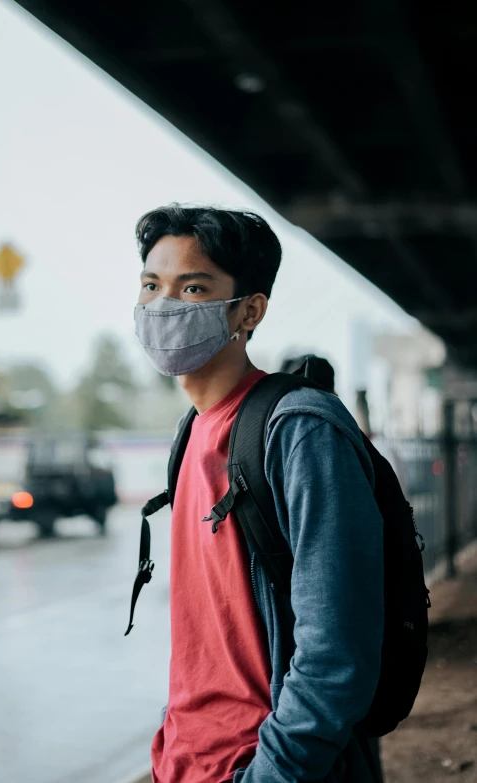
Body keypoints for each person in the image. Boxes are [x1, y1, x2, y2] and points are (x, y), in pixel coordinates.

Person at [133, 205, 384, 783]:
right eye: (151, 284)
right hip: (185, 764)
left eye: (193, 287)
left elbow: (335, 654)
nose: (162, 305)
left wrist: (270, 774)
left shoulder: (298, 432)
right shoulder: (191, 430)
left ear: (250, 310)